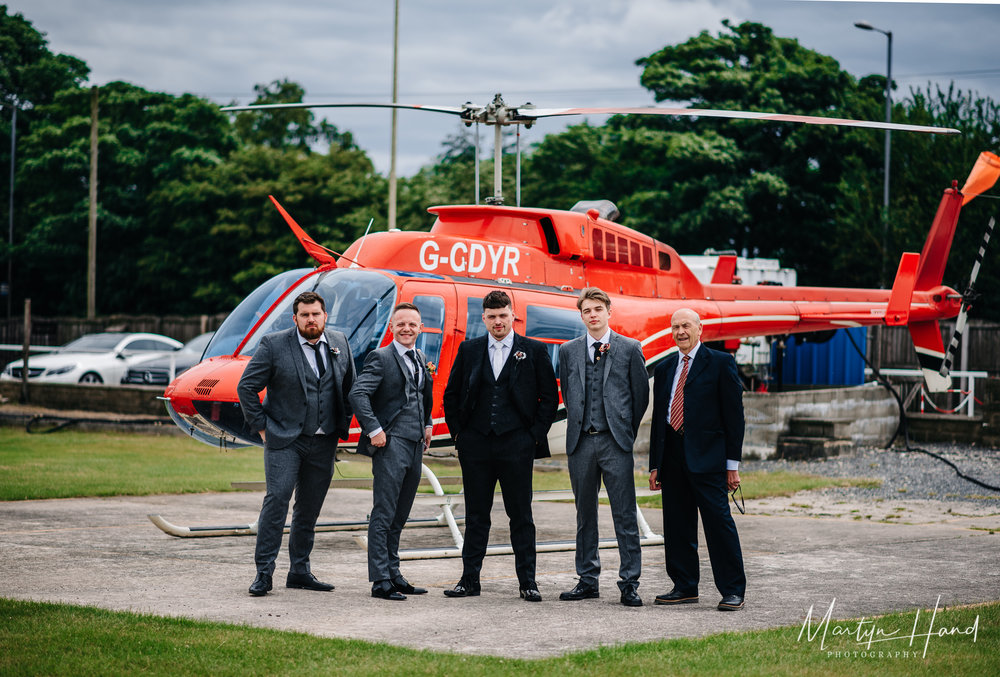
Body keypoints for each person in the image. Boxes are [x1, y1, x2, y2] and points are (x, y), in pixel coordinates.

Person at [442, 290, 558, 601]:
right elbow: (451, 395)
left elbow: (549, 399)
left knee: (521, 515)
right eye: (492, 316)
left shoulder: (533, 350)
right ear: (483, 318)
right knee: (476, 515)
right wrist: (459, 435)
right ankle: (469, 581)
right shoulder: (470, 349)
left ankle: (528, 583)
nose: (497, 321)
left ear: (513, 316)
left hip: (517, 445)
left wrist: (532, 435)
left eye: (503, 315)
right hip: (476, 445)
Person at [237, 291, 355, 597]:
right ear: (295, 318)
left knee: (309, 510)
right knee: (276, 502)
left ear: (325, 316)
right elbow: (247, 387)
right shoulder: (274, 344)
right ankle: (264, 573)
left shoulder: (340, 342)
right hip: (284, 441)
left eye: (316, 314)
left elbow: (349, 388)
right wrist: (262, 428)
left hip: (324, 440)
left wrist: (342, 425)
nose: (311, 319)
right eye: (305, 315)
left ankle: (300, 571)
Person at [648, 308, 746, 611]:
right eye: (675, 326)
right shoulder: (665, 369)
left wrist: (732, 465)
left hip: (709, 459)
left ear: (699, 329)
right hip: (673, 457)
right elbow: (659, 420)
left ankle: (732, 590)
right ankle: (684, 585)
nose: (680, 332)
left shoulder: (720, 363)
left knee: (718, 524)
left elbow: (735, 418)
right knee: (677, 525)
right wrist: (656, 463)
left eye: (686, 326)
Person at [557, 287, 649, 607]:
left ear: (609, 311)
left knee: (624, 514)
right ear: (581, 315)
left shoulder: (630, 348)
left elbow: (640, 397)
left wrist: (624, 431)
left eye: (598, 309)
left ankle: (629, 582)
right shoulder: (568, 351)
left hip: (615, 441)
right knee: (585, 515)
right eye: (587, 311)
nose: (593, 315)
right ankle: (587, 579)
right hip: (581, 441)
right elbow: (569, 395)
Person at [349, 302, 434, 601]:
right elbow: (358, 394)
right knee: (383, 514)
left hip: (414, 444)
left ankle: (394, 573)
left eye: (413, 324)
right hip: (390, 442)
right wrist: (374, 430)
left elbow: (424, 395)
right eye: (401, 324)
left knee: (400, 514)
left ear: (420, 328)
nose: (407, 328)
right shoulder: (381, 357)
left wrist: (427, 423)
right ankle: (380, 580)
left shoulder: (421, 357)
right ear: (392, 327)